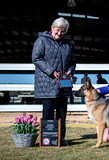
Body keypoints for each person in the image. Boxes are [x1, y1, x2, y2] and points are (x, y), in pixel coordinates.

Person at [32, 17, 76, 145]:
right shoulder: (41, 40)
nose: (60, 33)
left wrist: (70, 71)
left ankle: (60, 138)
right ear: (52, 27)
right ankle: (48, 140)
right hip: (48, 84)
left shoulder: (67, 44)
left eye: (63, 31)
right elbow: (36, 58)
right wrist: (51, 71)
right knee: (48, 112)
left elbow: (72, 62)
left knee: (62, 112)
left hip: (63, 84)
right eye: (58, 30)